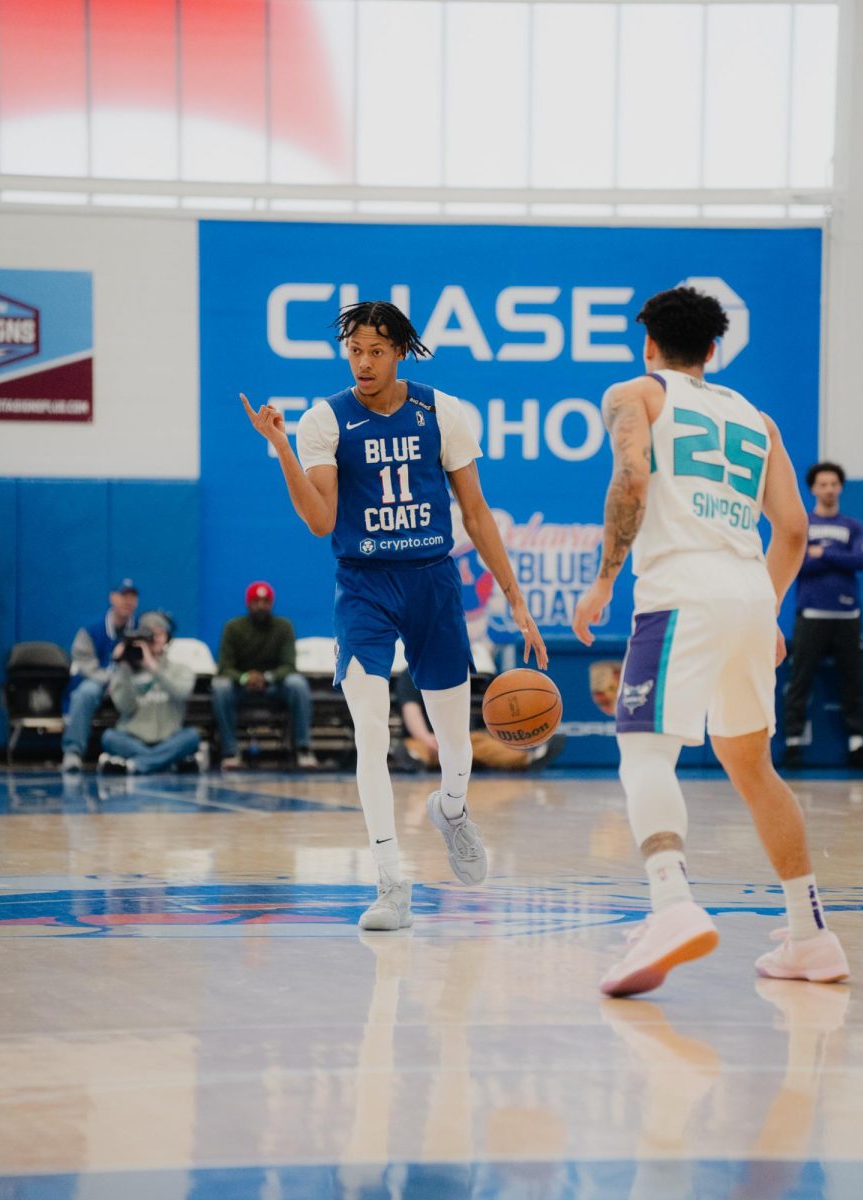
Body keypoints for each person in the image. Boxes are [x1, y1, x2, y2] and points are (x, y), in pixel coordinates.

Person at [572, 285, 849, 997]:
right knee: (752, 767)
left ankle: (671, 903)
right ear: (714, 350)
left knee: (643, 752)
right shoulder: (758, 420)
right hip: (749, 594)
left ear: (650, 345)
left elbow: (632, 478)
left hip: (681, 592)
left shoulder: (635, 393)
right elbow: (793, 530)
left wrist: (604, 581)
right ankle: (811, 936)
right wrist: (768, 611)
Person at [241, 300, 547, 931]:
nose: (363, 362)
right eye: (354, 351)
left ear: (399, 352)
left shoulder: (441, 410)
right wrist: (281, 447)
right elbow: (321, 520)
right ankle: (390, 883)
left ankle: (454, 811)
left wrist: (515, 597)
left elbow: (478, 512)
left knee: (455, 743)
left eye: (375, 350)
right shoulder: (324, 419)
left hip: (434, 582)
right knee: (371, 735)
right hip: (364, 586)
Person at [782, 462, 863, 770]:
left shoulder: (852, 526)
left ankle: (857, 746)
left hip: (847, 616)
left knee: (853, 682)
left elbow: (860, 560)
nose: (828, 489)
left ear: (840, 487)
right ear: (813, 488)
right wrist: (832, 558)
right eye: (823, 484)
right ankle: (793, 746)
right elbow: (799, 564)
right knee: (800, 680)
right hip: (811, 615)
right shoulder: (803, 525)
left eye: (833, 484)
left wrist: (823, 553)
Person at [211, 580, 316, 770]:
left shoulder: (283, 626)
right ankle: (230, 751)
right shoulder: (233, 627)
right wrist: (245, 678)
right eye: (256, 601)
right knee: (220, 687)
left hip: (273, 686)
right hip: (241, 686)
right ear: (248, 604)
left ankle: (303, 748)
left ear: (271, 604)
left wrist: (267, 678)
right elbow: (224, 667)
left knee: (298, 684)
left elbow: (289, 665)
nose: (261, 606)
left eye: (265, 601)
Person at [394, 668, 565, 772]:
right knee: (415, 746)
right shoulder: (411, 674)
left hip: (464, 739)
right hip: (429, 739)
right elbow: (411, 710)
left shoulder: (458, 671)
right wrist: (426, 737)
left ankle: (527, 758)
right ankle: (414, 759)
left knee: (480, 743)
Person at [97, 611, 204, 775]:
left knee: (192, 737)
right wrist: (123, 667)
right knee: (109, 738)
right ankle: (167, 762)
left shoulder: (181, 669)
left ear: (168, 638)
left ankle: (135, 765)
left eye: (159, 633)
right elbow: (126, 708)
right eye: (150, 634)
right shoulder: (126, 671)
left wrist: (154, 668)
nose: (155, 639)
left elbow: (181, 693)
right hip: (133, 738)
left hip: (169, 738)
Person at [61, 580, 139, 772]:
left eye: (132, 597)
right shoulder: (91, 629)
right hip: (98, 681)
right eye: (123, 596)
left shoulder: (140, 630)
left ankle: (140, 749)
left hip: (130, 682)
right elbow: (85, 664)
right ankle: (73, 751)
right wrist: (110, 679)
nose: (128, 601)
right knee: (85, 693)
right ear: (112, 597)